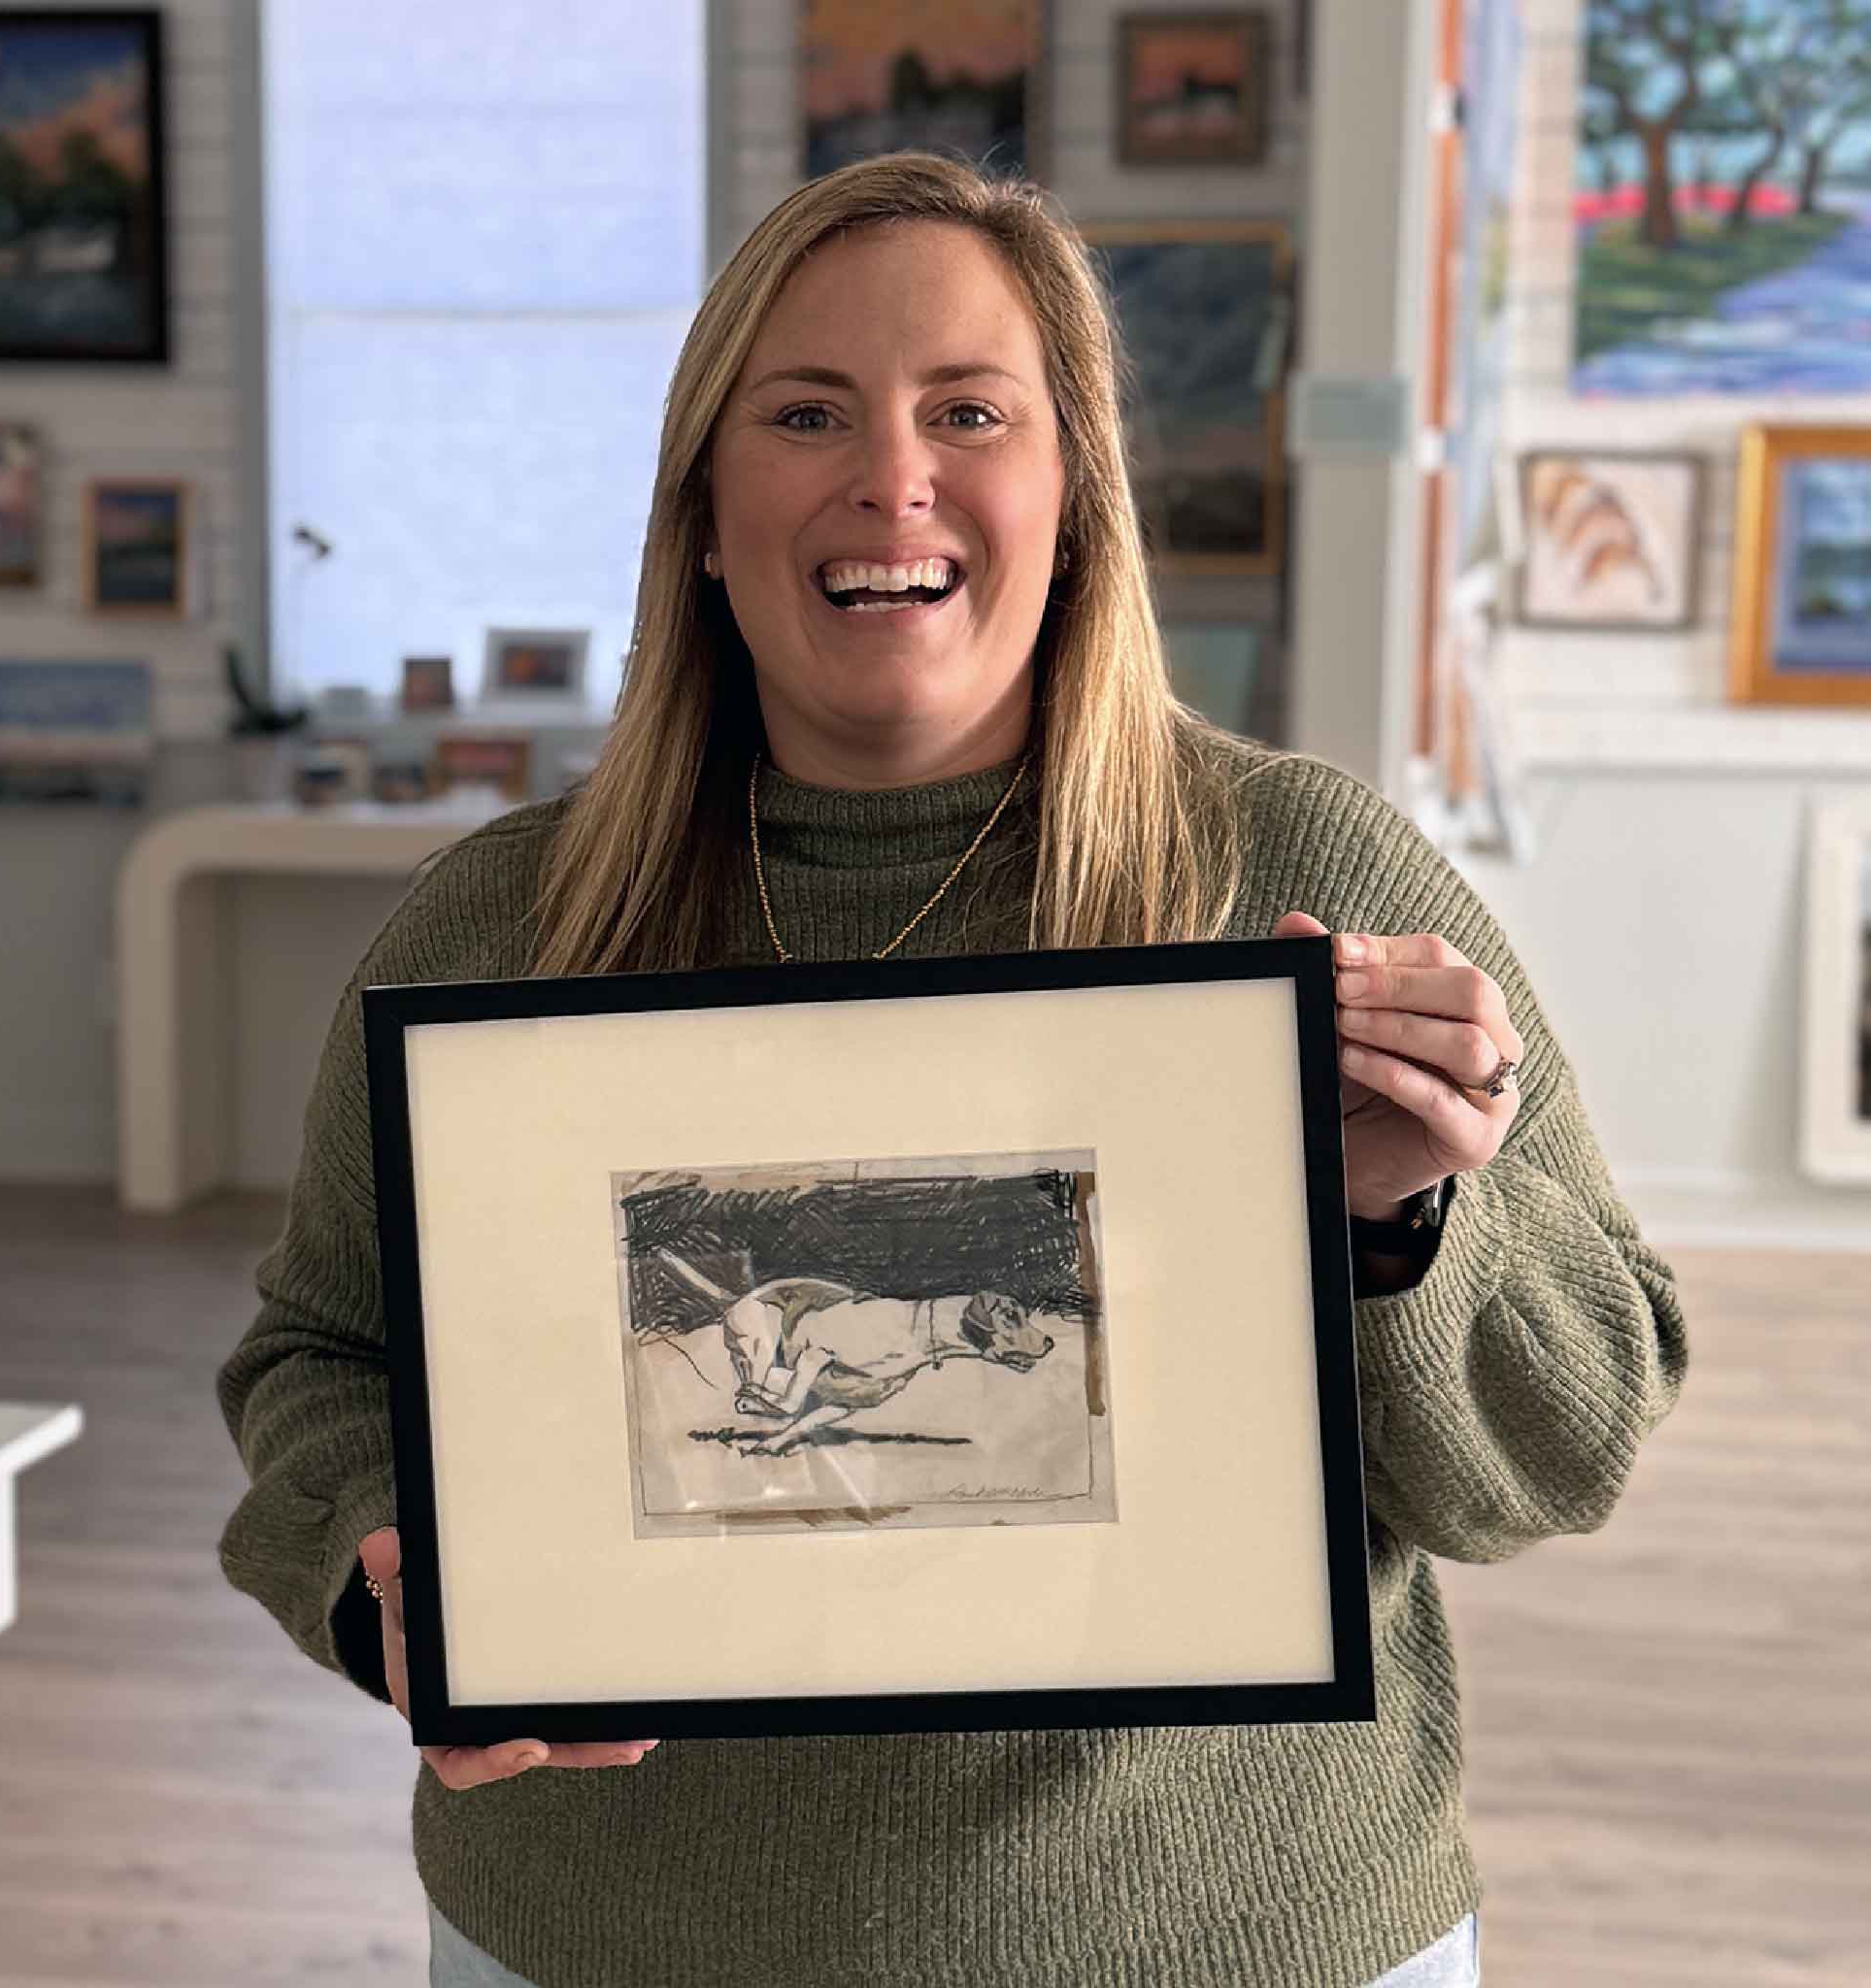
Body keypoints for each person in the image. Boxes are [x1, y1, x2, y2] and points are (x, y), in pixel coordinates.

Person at [217, 151, 1687, 1988]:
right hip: (603, 1940)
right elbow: (318, 1358)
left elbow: (1566, 1454)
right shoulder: (498, 922)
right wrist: (382, 1585)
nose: (889, 477)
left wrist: (1407, 1222)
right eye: (806, 410)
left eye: (969, 410)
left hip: (1234, 1946)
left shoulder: (1304, 881)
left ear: (1072, 494)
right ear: (701, 508)